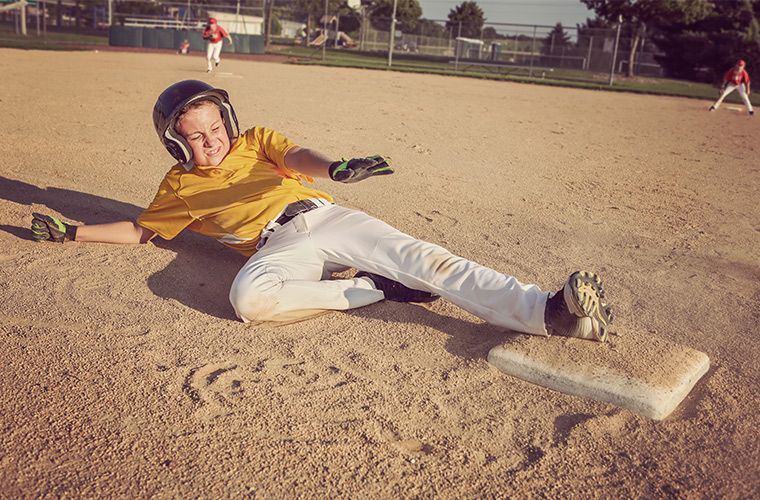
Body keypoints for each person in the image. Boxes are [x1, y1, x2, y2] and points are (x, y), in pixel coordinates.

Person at [30, 80, 615, 342]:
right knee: (248, 300)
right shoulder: (179, 185)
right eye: (197, 137)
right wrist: (72, 232)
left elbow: (299, 155)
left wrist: (333, 169)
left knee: (428, 261)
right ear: (176, 144)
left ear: (229, 122)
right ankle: (372, 289)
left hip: (326, 216)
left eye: (216, 128)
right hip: (277, 249)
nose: (212, 141)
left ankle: (546, 311)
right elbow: (139, 231)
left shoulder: (256, 140)